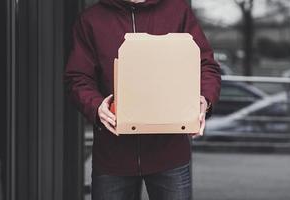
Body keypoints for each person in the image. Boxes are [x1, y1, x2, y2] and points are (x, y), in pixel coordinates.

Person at [64, 0, 221, 199]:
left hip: (169, 153)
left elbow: (206, 66)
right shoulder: (91, 19)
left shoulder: (177, 11)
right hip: (113, 155)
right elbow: (77, 77)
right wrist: (96, 106)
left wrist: (204, 99)